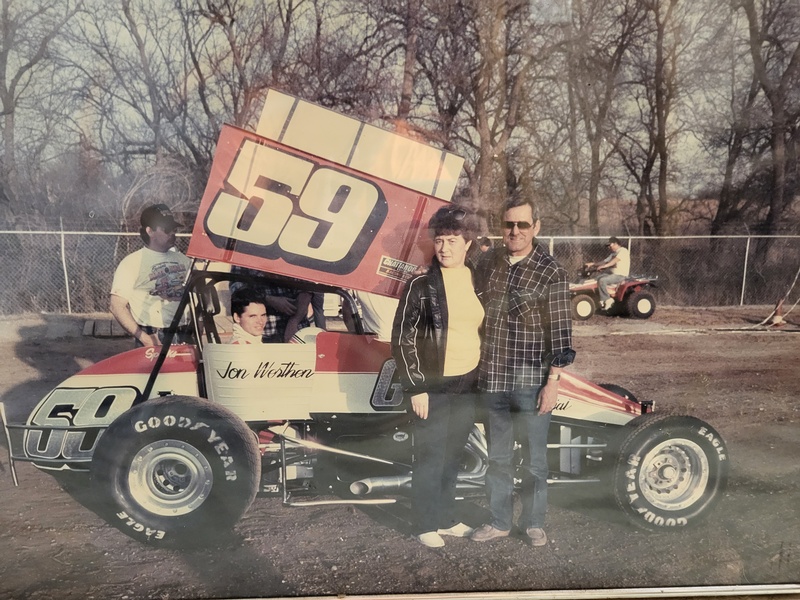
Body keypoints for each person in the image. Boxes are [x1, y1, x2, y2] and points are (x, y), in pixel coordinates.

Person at [471, 197, 575, 547]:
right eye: (508, 224)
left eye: (522, 225)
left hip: (531, 385)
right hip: (493, 381)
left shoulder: (552, 272)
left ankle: (532, 523)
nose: (514, 231)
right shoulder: (488, 263)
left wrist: (554, 383)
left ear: (537, 227)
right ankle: (499, 521)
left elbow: (560, 332)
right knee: (497, 459)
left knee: (534, 462)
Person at [391, 205, 484, 548]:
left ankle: (445, 517)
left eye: (452, 240)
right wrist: (415, 387)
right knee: (431, 456)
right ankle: (423, 522)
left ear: (468, 244)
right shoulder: (421, 283)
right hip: (433, 385)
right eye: (440, 240)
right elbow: (403, 337)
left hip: (468, 381)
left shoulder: (478, 279)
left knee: (453, 453)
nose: (444, 248)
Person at [110, 203, 192, 347]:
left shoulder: (185, 261)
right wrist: (143, 337)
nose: (172, 233)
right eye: (167, 229)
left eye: (173, 228)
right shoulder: (132, 263)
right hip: (153, 335)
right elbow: (117, 306)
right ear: (150, 231)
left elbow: (199, 299)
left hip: (184, 333)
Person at [230, 267, 312, 342]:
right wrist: (269, 299)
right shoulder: (245, 254)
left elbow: (306, 289)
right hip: (265, 334)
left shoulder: (292, 255)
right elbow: (238, 290)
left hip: (297, 330)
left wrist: (294, 321)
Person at [585, 236, 630, 310]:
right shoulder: (613, 254)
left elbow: (614, 261)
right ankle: (600, 299)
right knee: (596, 279)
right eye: (608, 246)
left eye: (610, 245)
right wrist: (592, 264)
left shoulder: (623, 251)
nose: (609, 247)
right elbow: (604, 261)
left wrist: (604, 266)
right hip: (612, 275)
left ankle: (607, 299)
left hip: (620, 275)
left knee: (603, 280)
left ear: (615, 243)